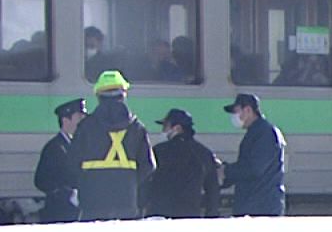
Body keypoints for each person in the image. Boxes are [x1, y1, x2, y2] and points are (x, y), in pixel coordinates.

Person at [72, 70, 155, 220]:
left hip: (92, 202)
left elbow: (71, 163)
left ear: (98, 96)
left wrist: (86, 184)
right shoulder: (136, 128)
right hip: (126, 202)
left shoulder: (85, 127)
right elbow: (148, 166)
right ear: (124, 94)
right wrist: (129, 182)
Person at [145, 108, 222, 218]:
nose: (163, 130)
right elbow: (212, 190)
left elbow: (145, 178)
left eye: (165, 126)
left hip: (159, 213)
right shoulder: (203, 153)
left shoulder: (159, 151)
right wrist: (211, 215)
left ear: (177, 128)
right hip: (189, 215)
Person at [223, 91, 286, 217]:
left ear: (247, 110)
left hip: (260, 207)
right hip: (258, 204)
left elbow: (254, 169)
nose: (234, 116)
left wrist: (226, 171)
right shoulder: (260, 132)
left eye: (236, 111)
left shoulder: (265, 133)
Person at [34, 97, 86, 222]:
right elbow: (41, 181)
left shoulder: (79, 144)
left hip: (76, 212)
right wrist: (67, 194)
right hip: (58, 212)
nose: (83, 121)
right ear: (66, 120)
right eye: (79, 118)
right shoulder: (54, 147)